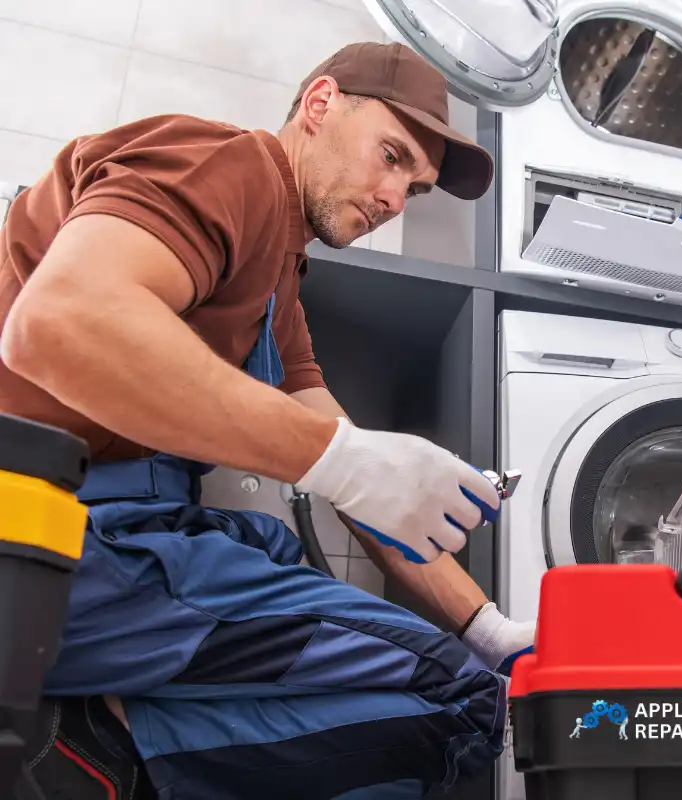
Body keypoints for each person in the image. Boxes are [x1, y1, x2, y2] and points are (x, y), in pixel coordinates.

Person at [0, 41, 536, 799]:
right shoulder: (232, 166)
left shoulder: (279, 289)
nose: (393, 198)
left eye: (413, 189)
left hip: (115, 550)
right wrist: (346, 462)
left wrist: (490, 630)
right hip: (44, 538)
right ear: (319, 106)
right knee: (461, 701)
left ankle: (111, 739)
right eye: (390, 156)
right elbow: (58, 322)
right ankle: (92, 752)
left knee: (454, 673)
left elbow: (357, 481)